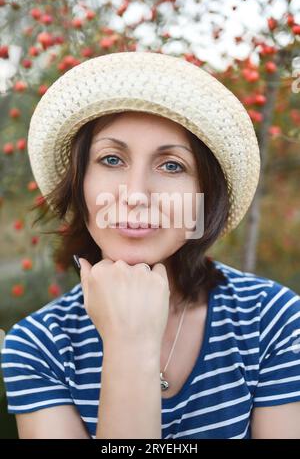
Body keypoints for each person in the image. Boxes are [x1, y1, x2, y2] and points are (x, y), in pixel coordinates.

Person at [1, 51, 300, 439]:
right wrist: (130, 343)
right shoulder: (38, 347)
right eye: (111, 159)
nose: (136, 195)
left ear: (203, 194)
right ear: (80, 184)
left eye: (172, 165)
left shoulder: (271, 320)